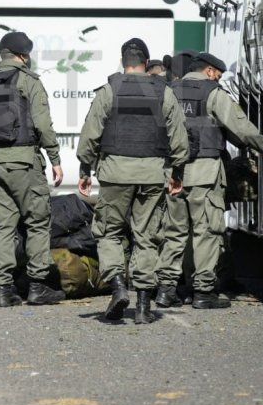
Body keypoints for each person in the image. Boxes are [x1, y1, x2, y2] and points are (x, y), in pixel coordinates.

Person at [76, 38, 189, 325]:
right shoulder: (163, 91)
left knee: (109, 232)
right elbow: (178, 137)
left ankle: (117, 286)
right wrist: (177, 173)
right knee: (146, 236)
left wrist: (84, 170)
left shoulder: (109, 90)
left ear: (123, 61)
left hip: (115, 173)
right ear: (145, 61)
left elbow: (90, 134)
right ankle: (142, 307)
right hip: (152, 174)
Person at [155, 52, 263, 309]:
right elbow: (240, 127)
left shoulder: (167, 90)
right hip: (203, 173)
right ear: (209, 71)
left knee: (174, 232)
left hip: (172, 174)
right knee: (206, 231)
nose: (218, 79)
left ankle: (166, 289)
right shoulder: (212, 93)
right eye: (217, 75)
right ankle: (203, 291)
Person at [0, 32, 66, 307]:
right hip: (24, 162)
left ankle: (3, 288)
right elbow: (43, 125)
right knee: (36, 221)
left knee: (3, 226)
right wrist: (55, 158)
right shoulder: (29, 81)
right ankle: (37, 286)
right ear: (23, 56)